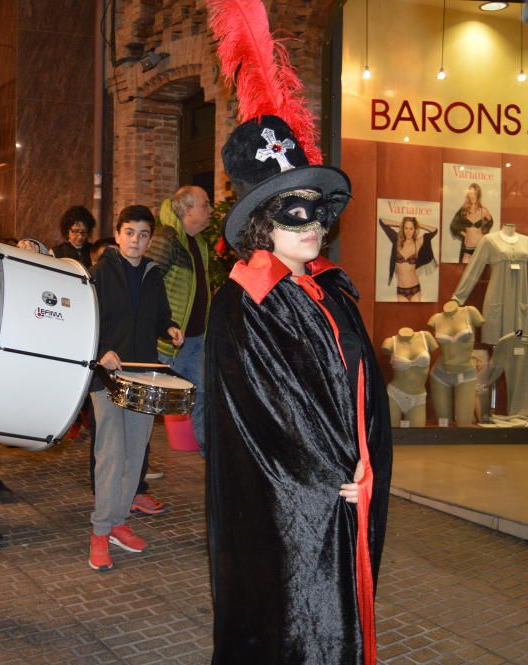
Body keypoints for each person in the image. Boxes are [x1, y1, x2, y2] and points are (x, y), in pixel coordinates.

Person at [206, 115, 392, 665]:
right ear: (264, 224)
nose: (311, 224)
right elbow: (270, 413)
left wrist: (368, 461)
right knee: (297, 620)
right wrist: (334, 474)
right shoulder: (244, 302)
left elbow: (362, 389)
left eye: (317, 211)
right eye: (293, 213)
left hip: (349, 486)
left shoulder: (327, 289)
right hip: (294, 504)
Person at [88, 204, 183, 572]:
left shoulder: (152, 275)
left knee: (134, 456)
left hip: (143, 376)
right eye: (130, 232)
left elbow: (158, 317)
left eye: (144, 235)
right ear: (118, 234)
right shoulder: (100, 272)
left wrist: (170, 328)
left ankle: (117, 523)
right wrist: (99, 352)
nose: (136, 241)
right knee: (111, 455)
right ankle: (100, 531)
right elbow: (87, 319)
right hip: (108, 378)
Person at [146, 186, 212, 458]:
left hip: (195, 339)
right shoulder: (167, 238)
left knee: (203, 396)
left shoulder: (198, 243)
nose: (210, 210)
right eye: (205, 205)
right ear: (187, 209)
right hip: (169, 342)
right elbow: (149, 283)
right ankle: (137, 468)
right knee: (150, 406)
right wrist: (163, 324)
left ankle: (210, 454)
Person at [378, 216, 438, 302]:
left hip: (415, 289)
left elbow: (434, 230)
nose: (408, 232)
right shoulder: (396, 240)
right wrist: (401, 224)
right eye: (406, 228)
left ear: (415, 230)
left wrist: (419, 225)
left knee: (416, 314)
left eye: (411, 228)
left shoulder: (418, 243)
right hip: (400, 289)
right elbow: (382, 222)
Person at [449, 183, 493, 263]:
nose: (472, 196)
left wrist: (484, 232)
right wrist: (464, 235)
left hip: (480, 247)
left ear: (478, 195)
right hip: (467, 248)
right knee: (464, 272)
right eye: (471, 193)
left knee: (480, 274)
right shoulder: (464, 211)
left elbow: (490, 222)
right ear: (468, 195)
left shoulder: (483, 211)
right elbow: (453, 225)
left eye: (475, 194)